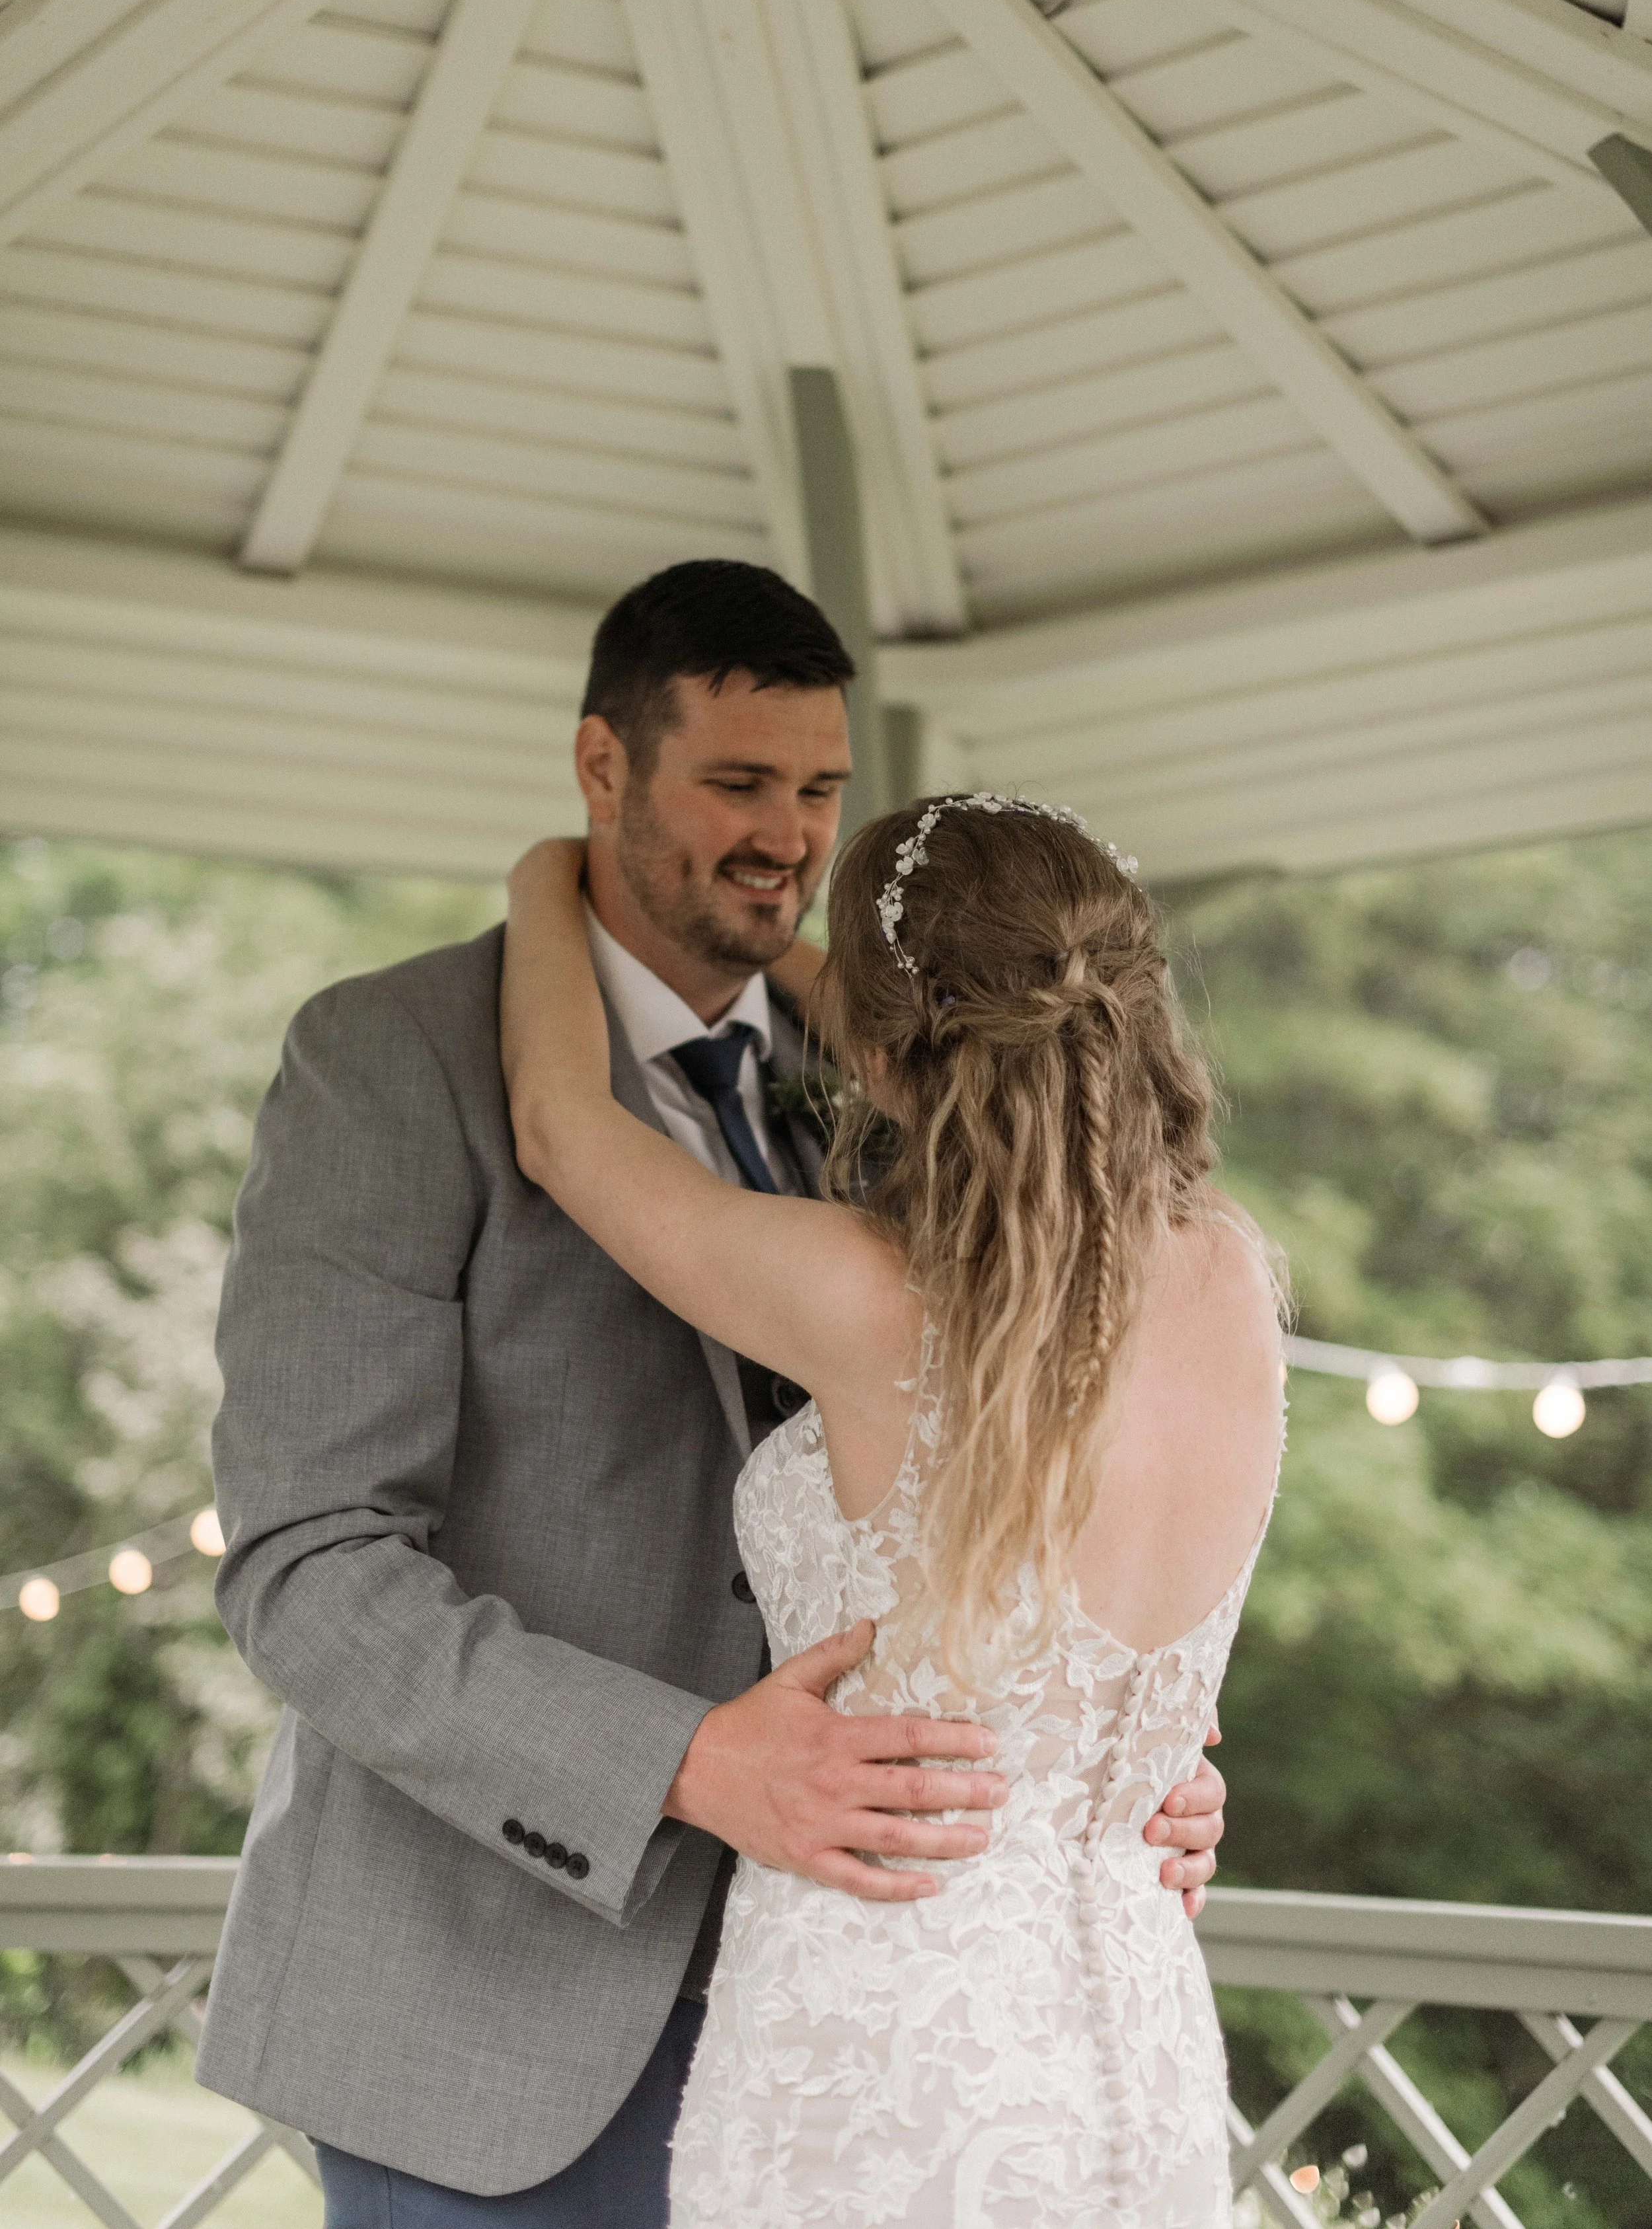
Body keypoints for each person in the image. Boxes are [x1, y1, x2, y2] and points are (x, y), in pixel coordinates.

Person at [195, 560, 1227, 2226]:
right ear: (602, 765)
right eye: (736, 782)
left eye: (820, 790)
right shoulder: (390, 1060)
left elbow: (1027, 1480)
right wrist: (688, 1763)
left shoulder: (911, 1077)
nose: (788, 836)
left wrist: (1114, 1752)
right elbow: (308, 1570)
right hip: (487, 2018)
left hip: (862, 2014)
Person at [500, 791, 1283, 2227]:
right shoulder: (1231, 1280)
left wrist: (551, 870)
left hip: (884, 2051)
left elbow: (561, 1126)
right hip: (1139, 2046)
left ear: (873, 1049)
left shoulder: (879, 1300)